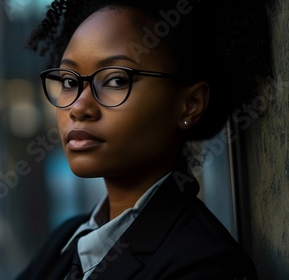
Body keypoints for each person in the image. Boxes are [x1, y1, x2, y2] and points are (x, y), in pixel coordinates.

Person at [17, 0, 271, 279]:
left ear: (190, 104)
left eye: (116, 80)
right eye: (69, 81)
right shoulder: (64, 243)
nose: (78, 107)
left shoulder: (206, 266)